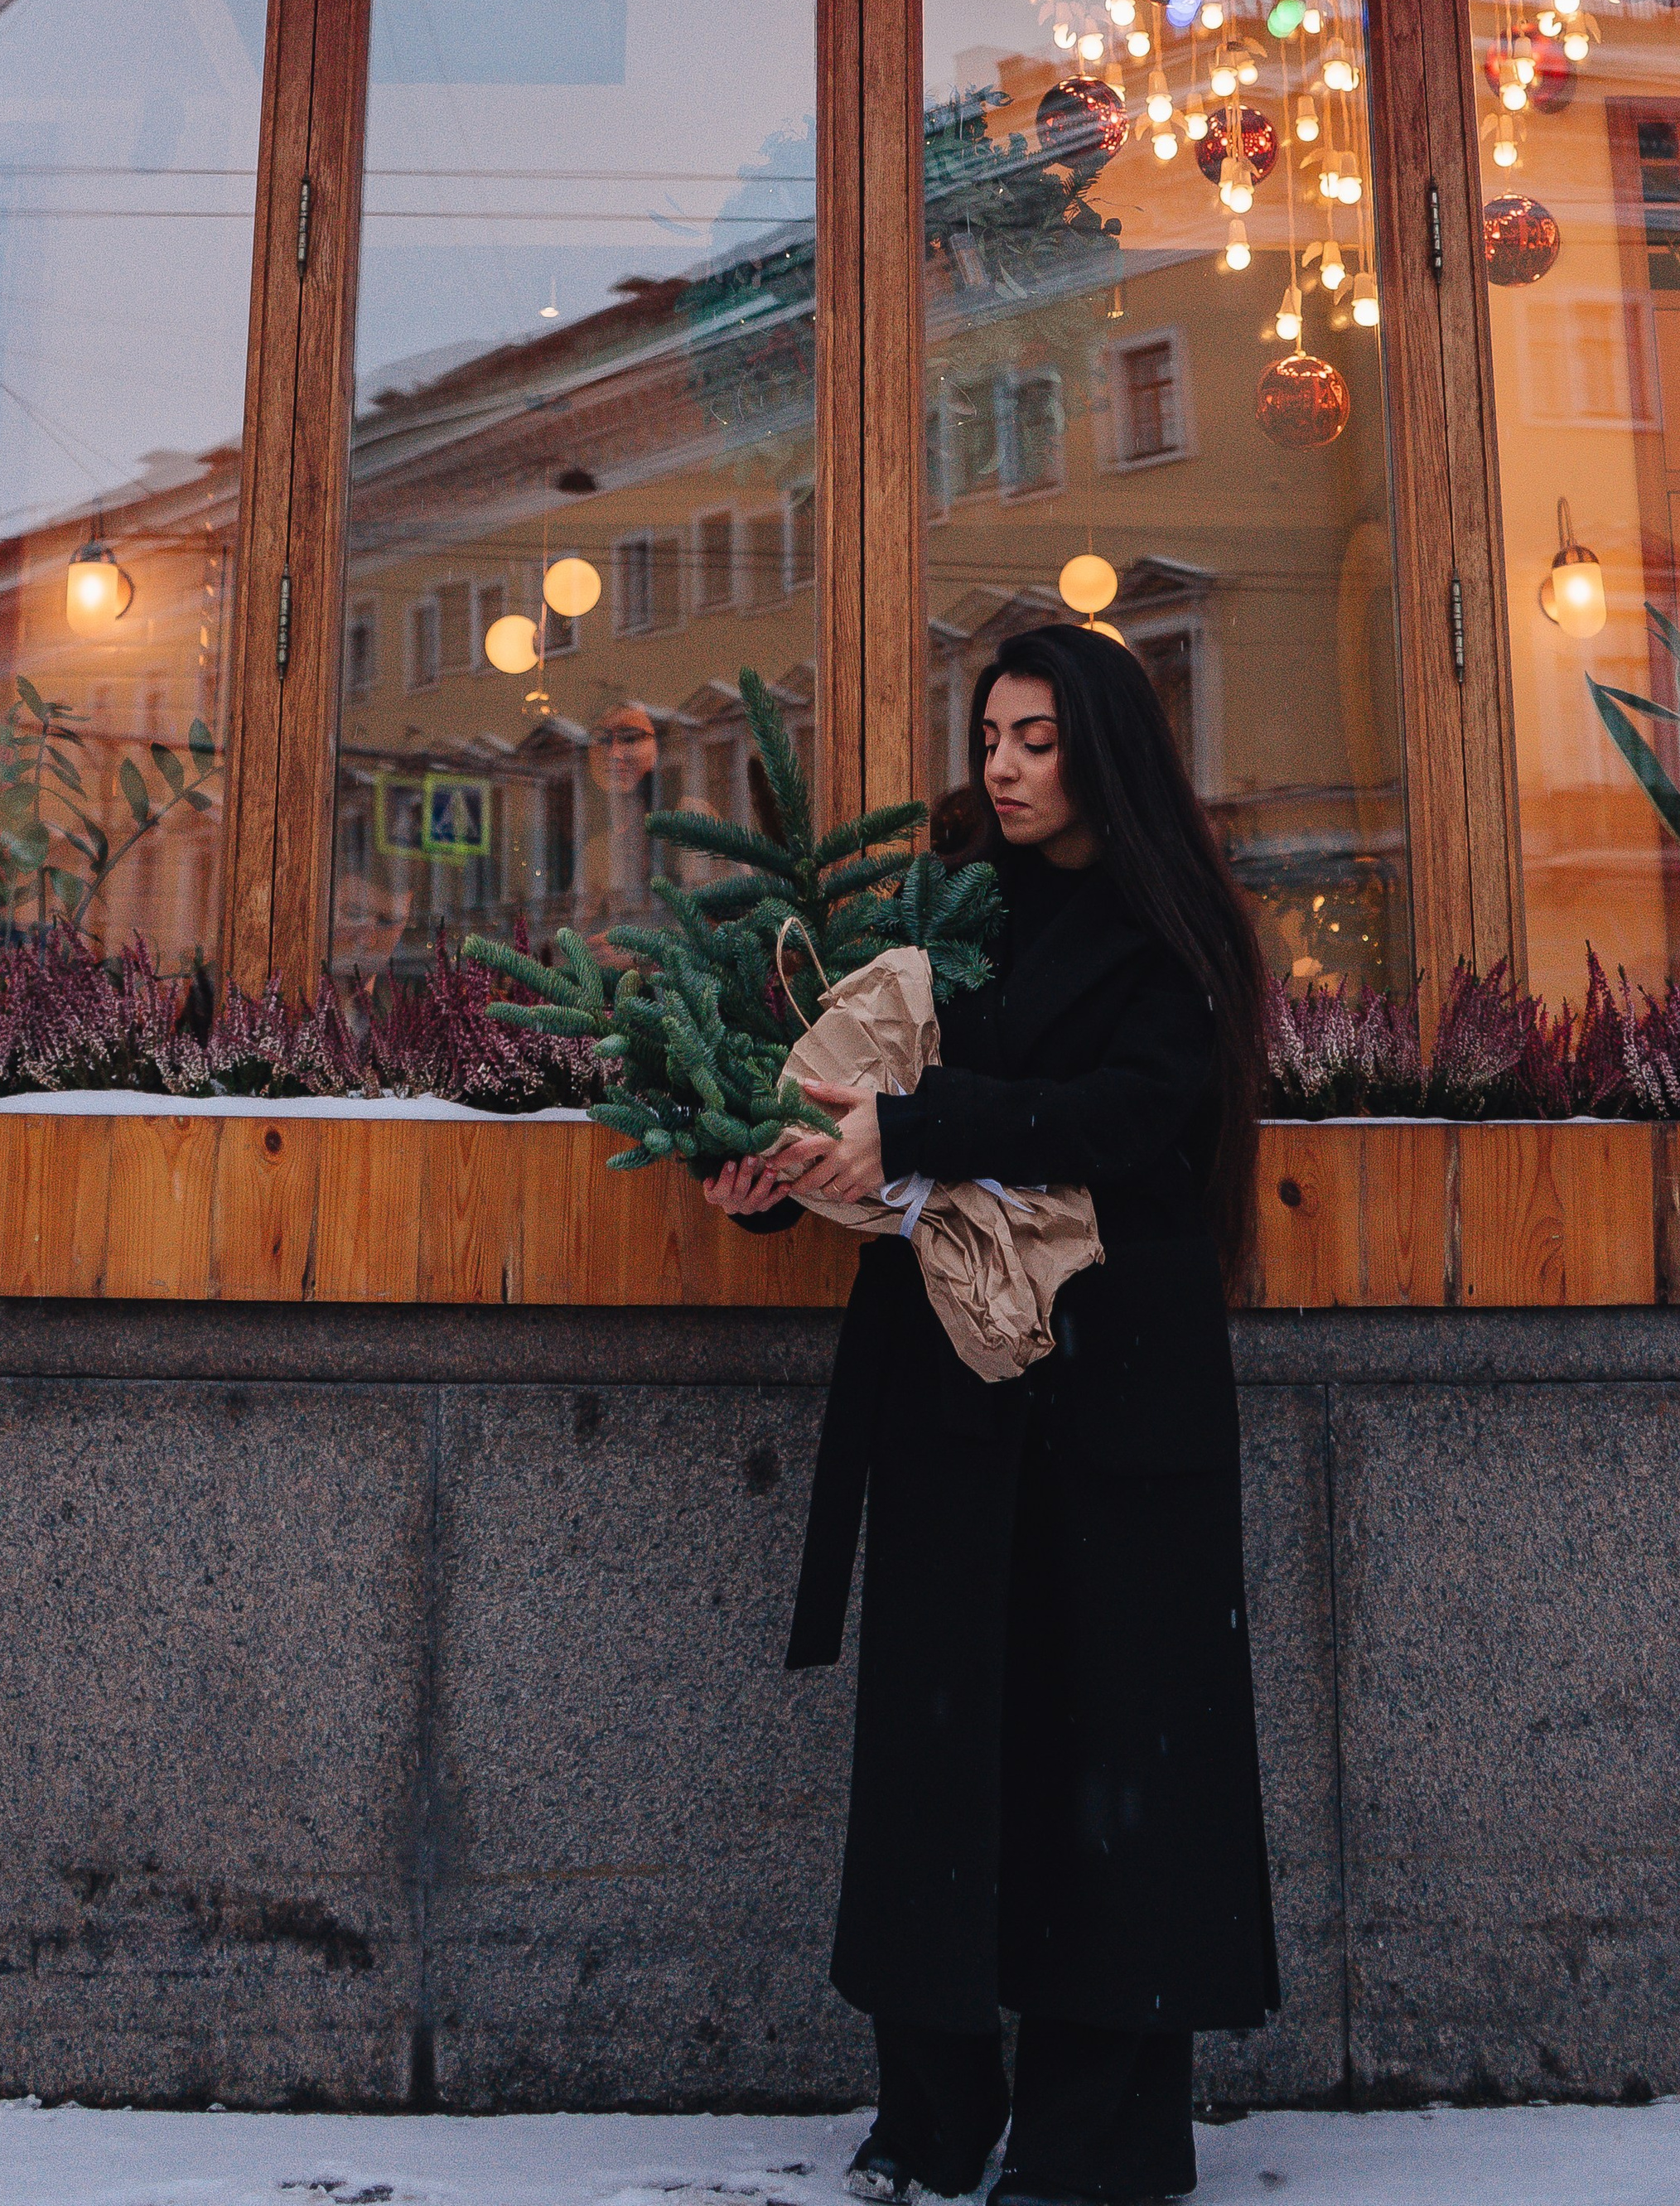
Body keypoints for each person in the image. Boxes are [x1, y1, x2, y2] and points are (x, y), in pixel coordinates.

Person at [705, 624, 1279, 2206]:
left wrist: (922, 1121)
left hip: (1118, 1400)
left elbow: (1127, 1119)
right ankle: (934, 2116)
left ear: (1105, 749)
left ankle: (1099, 2139)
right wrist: (768, 1178)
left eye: (1036, 740)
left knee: (1119, 1755)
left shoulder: (1174, 933)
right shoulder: (942, 908)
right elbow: (841, 1100)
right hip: (952, 1397)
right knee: (940, 1760)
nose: (1005, 770)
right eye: (993, 739)